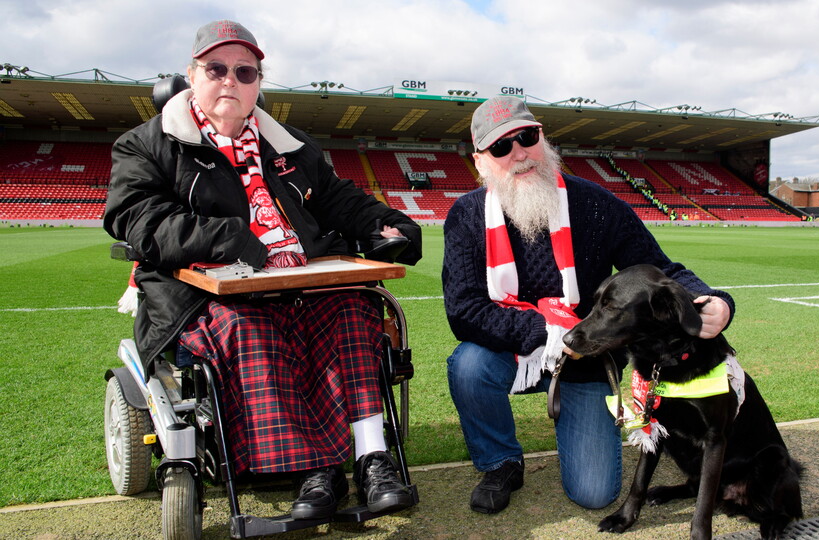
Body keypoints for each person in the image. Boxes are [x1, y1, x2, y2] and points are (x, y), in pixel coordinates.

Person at [103, 20, 422, 520]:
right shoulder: (146, 145)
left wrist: (390, 225)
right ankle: (316, 469)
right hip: (206, 297)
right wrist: (227, 237)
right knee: (250, 325)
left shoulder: (290, 144)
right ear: (192, 74)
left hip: (304, 282)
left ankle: (371, 456)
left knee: (353, 308)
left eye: (245, 71)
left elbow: (339, 200)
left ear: (258, 82)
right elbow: (136, 218)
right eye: (216, 68)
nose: (230, 80)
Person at [442, 96, 734, 514]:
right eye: (501, 147)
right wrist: (545, 334)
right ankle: (500, 462)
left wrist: (716, 301)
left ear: (542, 137)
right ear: (481, 160)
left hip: (588, 357)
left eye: (526, 137)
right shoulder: (466, 216)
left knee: (595, 494)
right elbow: (464, 310)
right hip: (512, 351)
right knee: (468, 365)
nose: (519, 153)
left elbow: (659, 269)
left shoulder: (595, 204)